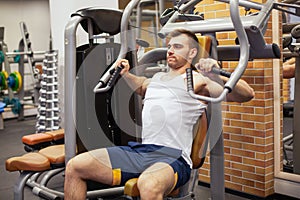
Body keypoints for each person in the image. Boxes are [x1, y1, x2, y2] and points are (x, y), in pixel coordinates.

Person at [64, 29, 255, 200]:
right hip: (141, 151)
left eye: (177, 46)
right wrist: (125, 73)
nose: (170, 50)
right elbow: (140, 85)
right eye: (169, 46)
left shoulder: (198, 81)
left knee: (148, 183)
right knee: (75, 166)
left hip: (172, 157)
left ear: (192, 52)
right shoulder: (157, 79)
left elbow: (246, 94)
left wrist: (215, 73)